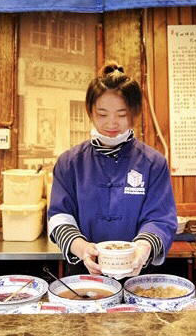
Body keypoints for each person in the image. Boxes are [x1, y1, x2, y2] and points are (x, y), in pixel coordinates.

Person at [47, 62, 177, 276]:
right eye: (103, 114)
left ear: (134, 113)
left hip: (138, 273)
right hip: (85, 273)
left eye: (122, 114)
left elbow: (160, 219)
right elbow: (60, 216)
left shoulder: (154, 163)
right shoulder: (69, 163)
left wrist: (142, 250)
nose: (111, 123)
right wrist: (81, 248)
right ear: (90, 112)